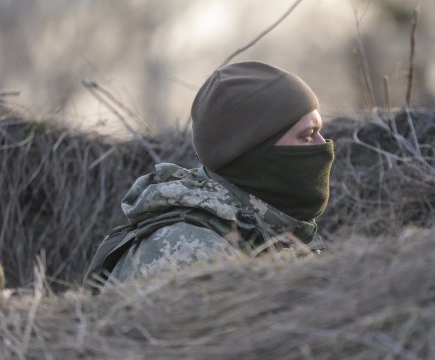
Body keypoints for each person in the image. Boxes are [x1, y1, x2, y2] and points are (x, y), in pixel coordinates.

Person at [85, 61, 334, 286]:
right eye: (307, 135)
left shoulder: (271, 233)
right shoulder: (185, 252)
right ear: (255, 151)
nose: (323, 145)